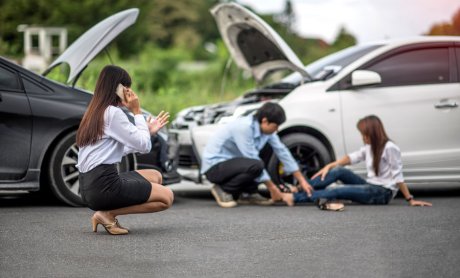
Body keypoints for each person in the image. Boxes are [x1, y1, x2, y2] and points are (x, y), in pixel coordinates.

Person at [76, 65, 174, 235]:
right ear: (118, 88)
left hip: (89, 185)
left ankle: (106, 213)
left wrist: (148, 131)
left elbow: (117, 150)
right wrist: (137, 112)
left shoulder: (95, 111)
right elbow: (144, 146)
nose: (129, 92)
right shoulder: (113, 113)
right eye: (126, 88)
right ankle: (107, 214)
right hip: (103, 186)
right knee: (167, 197)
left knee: (155, 176)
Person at [282, 115, 432, 211]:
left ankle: (294, 197)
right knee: (339, 171)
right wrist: (329, 166)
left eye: (364, 134)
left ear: (372, 133)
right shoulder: (370, 147)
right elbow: (350, 158)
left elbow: (398, 176)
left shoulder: (390, 148)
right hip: (371, 186)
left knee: (338, 191)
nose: (362, 138)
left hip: (381, 193)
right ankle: (299, 188)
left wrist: (410, 199)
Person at [201, 102, 313, 208]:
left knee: (266, 152)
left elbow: (282, 151)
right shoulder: (243, 127)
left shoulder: (267, 132)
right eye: (275, 126)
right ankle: (223, 189)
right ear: (265, 121)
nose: (277, 129)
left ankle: (248, 193)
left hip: (233, 164)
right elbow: (251, 158)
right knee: (256, 164)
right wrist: (272, 188)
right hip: (214, 167)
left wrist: (302, 181)